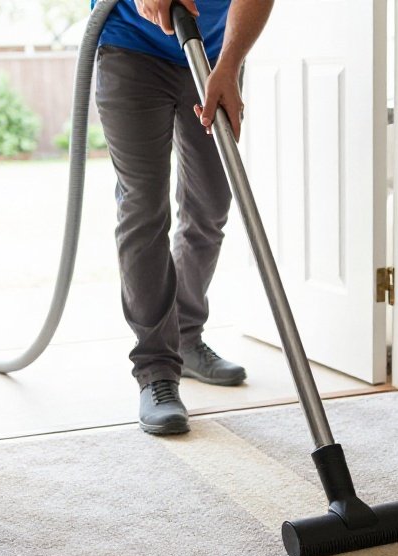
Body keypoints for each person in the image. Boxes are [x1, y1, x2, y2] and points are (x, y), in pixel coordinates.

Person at [94, 0, 274, 435]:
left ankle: (187, 338)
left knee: (210, 204)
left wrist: (230, 63)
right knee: (143, 209)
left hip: (212, 57)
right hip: (130, 49)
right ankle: (156, 370)